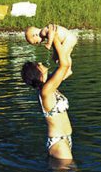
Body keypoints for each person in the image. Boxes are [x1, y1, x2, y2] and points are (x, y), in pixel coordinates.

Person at [22, 24, 75, 160]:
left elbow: (68, 70)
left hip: (64, 140)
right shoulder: (46, 90)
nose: (40, 62)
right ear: (37, 73)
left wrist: (64, 49)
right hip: (59, 142)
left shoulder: (50, 85)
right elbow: (64, 66)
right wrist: (55, 39)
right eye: (37, 65)